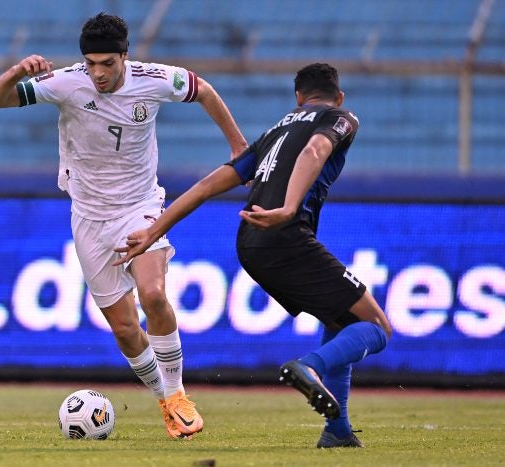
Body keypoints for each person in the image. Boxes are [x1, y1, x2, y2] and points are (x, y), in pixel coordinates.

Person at [0, 13, 247, 439]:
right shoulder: (67, 83)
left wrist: (238, 146)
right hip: (88, 216)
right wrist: (16, 71)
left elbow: (205, 92)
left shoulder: (156, 79)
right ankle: (165, 402)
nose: (98, 72)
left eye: (107, 62)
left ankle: (178, 395)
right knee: (125, 329)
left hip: (141, 206)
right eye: (91, 63)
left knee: (154, 294)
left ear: (126, 56)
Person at [114, 63, 393, 448]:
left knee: (343, 318)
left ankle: (338, 431)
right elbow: (316, 148)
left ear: (298, 97)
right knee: (378, 327)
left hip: (249, 244)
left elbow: (208, 185)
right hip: (285, 236)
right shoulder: (341, 117)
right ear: (338, 96)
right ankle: (310, 367)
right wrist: (289, 208)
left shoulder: (275, 131)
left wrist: (154, 229)